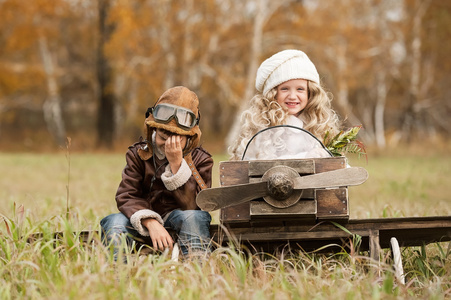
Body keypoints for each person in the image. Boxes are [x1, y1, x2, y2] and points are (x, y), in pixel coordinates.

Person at [100, 86, 214, 262]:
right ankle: (116, 278)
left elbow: (196, 207)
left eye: (177, 139)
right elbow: (126, 195)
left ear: (190, 136)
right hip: (141, 219)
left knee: (195, 218)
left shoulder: (201, 159)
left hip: (180, 218)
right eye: (163, 136)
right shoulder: (138, 154)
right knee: (114, 222)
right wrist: (150, 221)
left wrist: (177, 164)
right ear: (153, 130)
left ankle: (197, 272)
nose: (169, 143)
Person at [229, 49, 342, 160]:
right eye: (285, 89)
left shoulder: (317, 124)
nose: (293, 96)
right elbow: (261, 165)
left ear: (310, 92)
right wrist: (305, 157)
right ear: (272, 94)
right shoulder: (263, 127)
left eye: (300, 89)